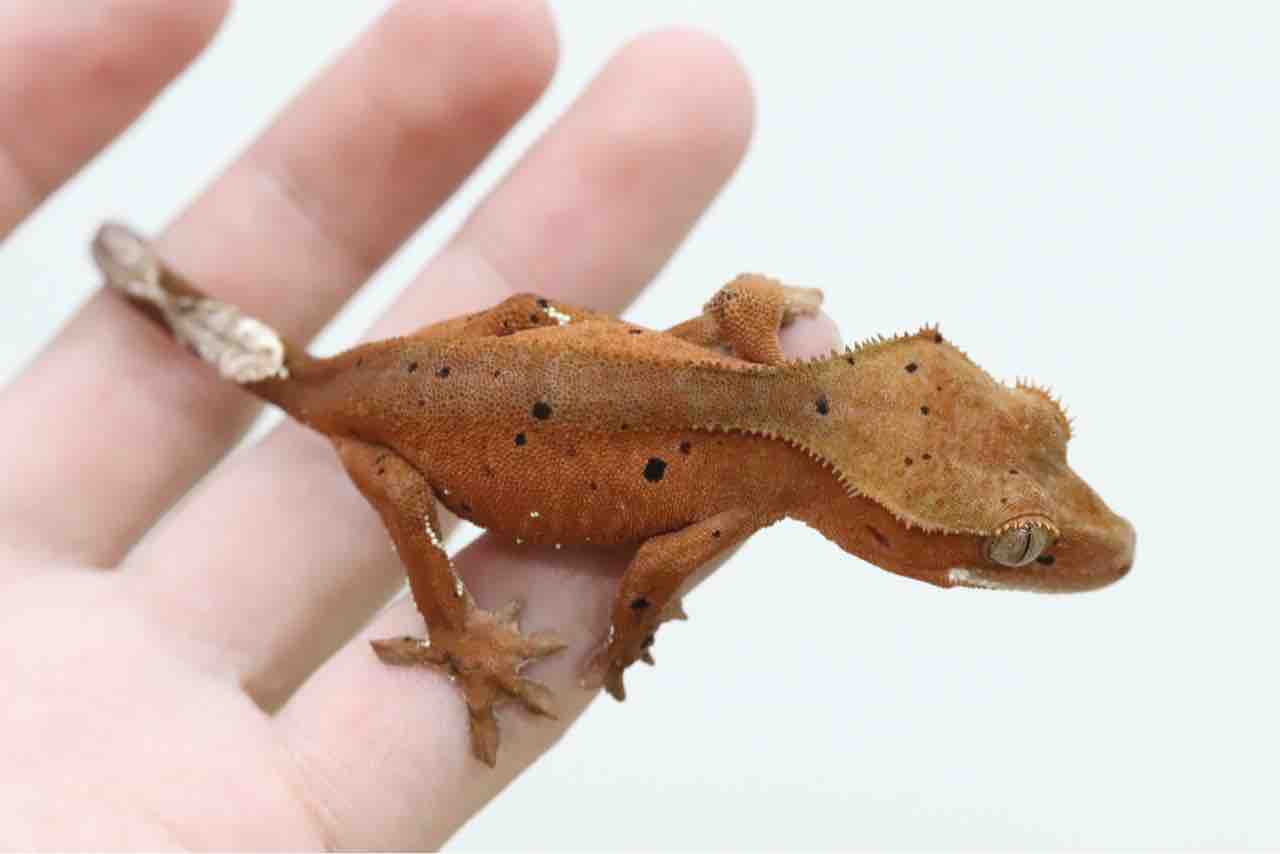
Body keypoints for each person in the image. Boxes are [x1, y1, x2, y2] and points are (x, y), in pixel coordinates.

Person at [0, 2, 835, 847]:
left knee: (509, 323)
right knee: (409, 475)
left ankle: (157, 288)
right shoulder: (384, 447)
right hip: (409, 402)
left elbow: (529, 315)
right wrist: (457, 631)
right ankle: (449, 629)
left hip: (446, 373)